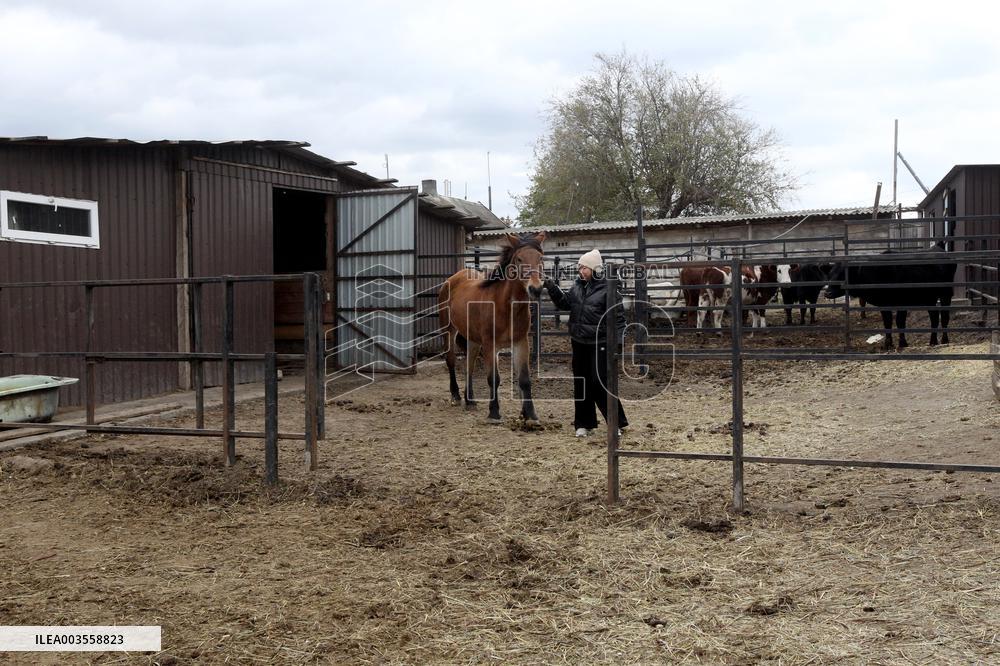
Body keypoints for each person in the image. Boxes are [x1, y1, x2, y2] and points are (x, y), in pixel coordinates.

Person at [543, 248, 629, 438]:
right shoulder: (576, 287)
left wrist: (620, 341)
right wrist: (552, 288)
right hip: (579, 341)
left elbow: (620, 318)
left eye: (584, 267)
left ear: (594, 268)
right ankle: (583, 424)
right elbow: (565, 304)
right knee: (581, 383)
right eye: (580, 267)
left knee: (599, 382)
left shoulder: (609, 289)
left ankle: (615, 422)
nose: (581, 271)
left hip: (601, 342)